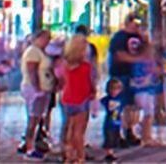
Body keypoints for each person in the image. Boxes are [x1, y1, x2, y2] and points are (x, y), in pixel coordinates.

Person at [59, 33, 94, 164]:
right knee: (79, 131)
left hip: (68, 98)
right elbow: (88, 82)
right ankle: (80, 156)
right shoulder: (85, 66)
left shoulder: (65, 65)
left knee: (70, 128)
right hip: (82, 98)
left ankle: (69, 155)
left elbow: (63, 80)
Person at [108, 15, 142, 146]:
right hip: (120, 74)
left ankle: (129, 131)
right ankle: (115, 134)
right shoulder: (119, 38)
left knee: (131, 107)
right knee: (118, 106)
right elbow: (119, 55)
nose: (136, 27)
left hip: (134, 76)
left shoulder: (138, 37)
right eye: (134, 24)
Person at [18, 29, 51, 159]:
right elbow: (32, 71)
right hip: (34, 89)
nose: (47, 41)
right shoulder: (33, 52)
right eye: (46, 38)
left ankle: (29, 144)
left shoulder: (39, 52)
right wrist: (38, 88)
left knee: (36, 118)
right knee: (33, 118)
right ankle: (29, 146)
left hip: (39, 88)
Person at [129, 36, 159, 146]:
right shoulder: (146, 61)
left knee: (145, 114)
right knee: (148, 114)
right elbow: (151, 74)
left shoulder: (136, 60)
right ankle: (147, 138)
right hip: (145, 90)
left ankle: (145, 136)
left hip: (141, 90)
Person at [100, 79, 124, 162]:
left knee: (115, 136)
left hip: (117, 121)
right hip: (109, 122)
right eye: (112, 89)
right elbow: (102, 101)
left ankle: (112, 151)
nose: (114, 91)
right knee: (109, 138)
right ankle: (109, 153)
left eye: (117, 89)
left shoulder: (120, 99)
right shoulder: (107, 99)